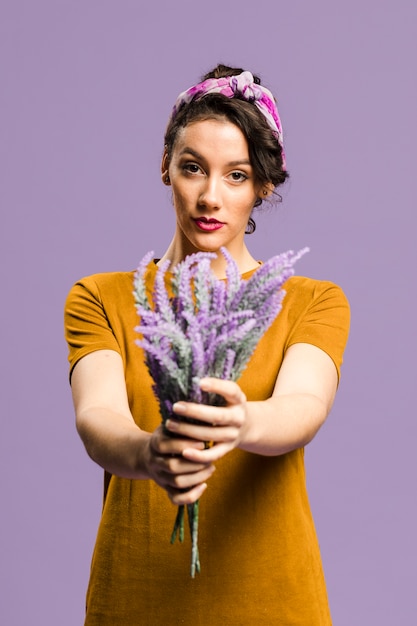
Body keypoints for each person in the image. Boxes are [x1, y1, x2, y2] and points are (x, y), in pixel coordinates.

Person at [64, 64, 350, 625]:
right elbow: (97, 418)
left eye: (237, 176)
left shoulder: (313, 301)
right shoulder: (101, 297)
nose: (210, 197)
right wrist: (150, 454)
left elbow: (304, 408)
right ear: (166, 167)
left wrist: (239, 424)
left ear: (264, 185)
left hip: (274, 601)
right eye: (193, 168)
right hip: (136, 598)